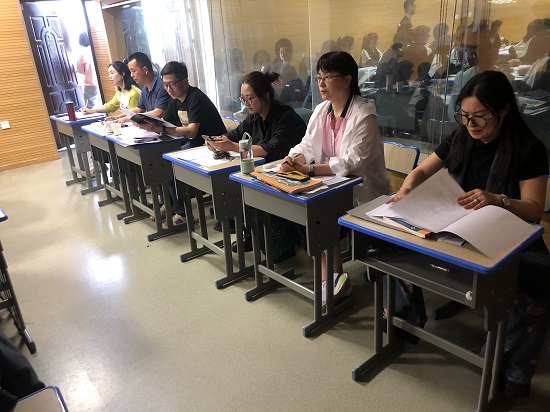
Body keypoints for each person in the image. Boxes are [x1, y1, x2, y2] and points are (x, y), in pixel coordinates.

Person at [389, 71, 550, 398]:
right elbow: (420, 171)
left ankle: (512, 370)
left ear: (503, 110)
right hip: (458, 227)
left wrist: (497, 200)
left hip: (508, 234)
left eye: (480, 117)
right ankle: (405, 321)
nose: (471, 124)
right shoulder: (460, 138)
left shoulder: (528, 148)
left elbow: (534, 210)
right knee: (398, 245)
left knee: (538, 280)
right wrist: (405, 190)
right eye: (464, 115)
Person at [280, 51, 389, 311]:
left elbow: (353, 163)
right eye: (318, 77)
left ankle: (332, 280)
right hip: (328, 185)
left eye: (327, 77)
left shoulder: (364, 114)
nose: (321, 83)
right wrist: (293, 159)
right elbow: (307, 145)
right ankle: (334, 279)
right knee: (305, 210)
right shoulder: (322, 110)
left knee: (320, 213)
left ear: (348, 79)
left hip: (360, 190)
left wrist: (309, 169)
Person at [207, 71, 307, 253]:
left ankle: (266, 240)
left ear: (265, 95)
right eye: (242, 98)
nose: (246, 103)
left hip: (290, 173)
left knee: (243, 187)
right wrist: (218, 141)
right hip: (265, 171)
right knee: (233, 185)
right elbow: (235, 134)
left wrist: (233, 146)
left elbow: (270, 149)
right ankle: (248, 232)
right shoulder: (254, 116)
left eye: (249, 98)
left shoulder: (285, 116)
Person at [137, 61, 227, 226]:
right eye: (165, 85)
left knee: (169, 162)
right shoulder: (175, 100)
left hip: (212, 145)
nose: (169, 89)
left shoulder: (195, 98)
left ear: (185, 81)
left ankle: (182, 213)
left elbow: (191, 131)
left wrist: (162, 129)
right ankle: (170, 204)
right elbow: (167, 123)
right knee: (159, 159)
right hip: (194, 144)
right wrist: (150, 124)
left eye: (172, 84)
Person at [118, 52, 169, 122]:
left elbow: (158, 112)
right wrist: (120, 117)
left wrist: (129, 118)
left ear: (145, 70)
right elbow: (138, 110)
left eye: (133, 71)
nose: (131, 75)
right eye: (130, 72)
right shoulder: (145, 90)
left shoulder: (162, 86)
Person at [76, 32, 100, 108]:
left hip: (90, 82)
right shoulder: (98, 49)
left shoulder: (83, 53)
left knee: (89, 107)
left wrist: (86, 72)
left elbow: (79, 69)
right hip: (102, 81)